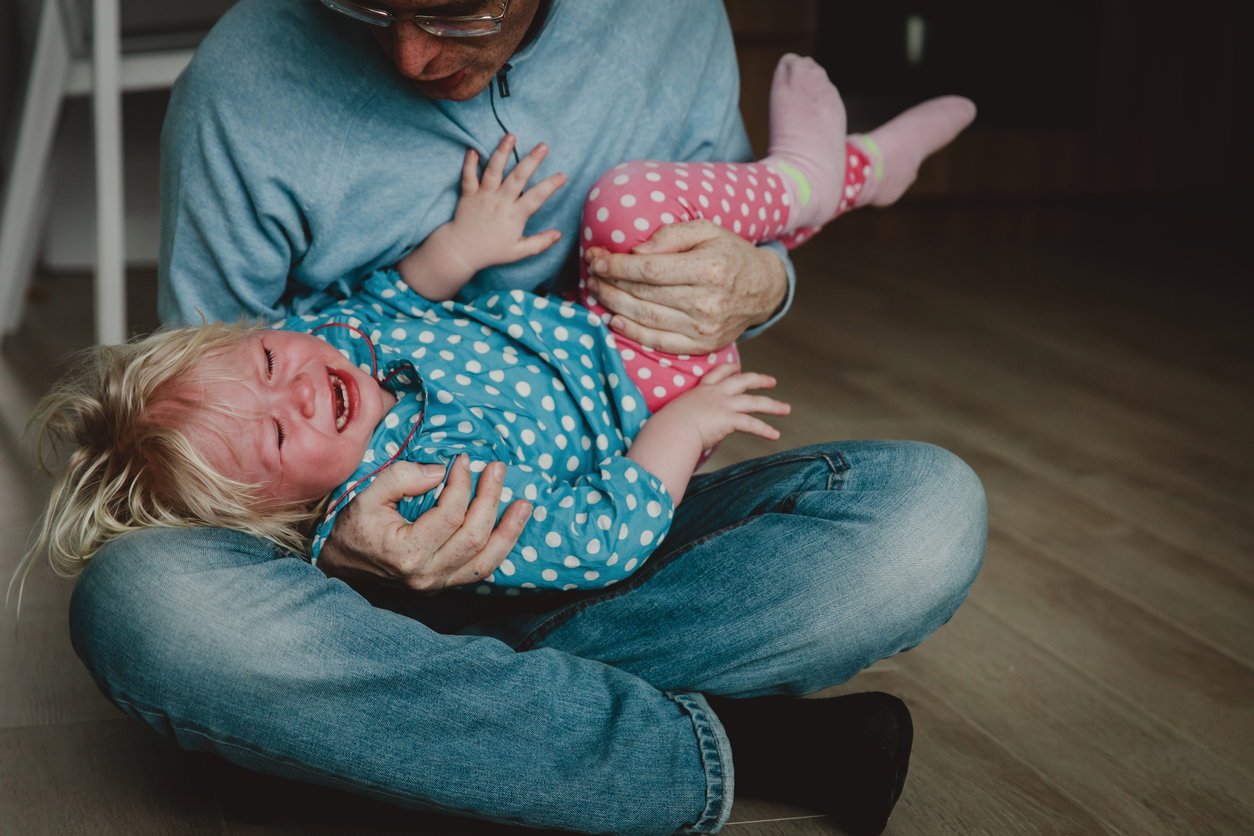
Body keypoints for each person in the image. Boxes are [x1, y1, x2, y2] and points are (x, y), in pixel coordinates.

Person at [62, 2, 987, 834]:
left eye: (458, 14)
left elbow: (730, 235)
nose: (413, 54)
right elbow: (208, 451)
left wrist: (764, 282)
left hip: (612, 525)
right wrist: (327, 548)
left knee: (926, 517)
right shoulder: (243, 89)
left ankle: (390, 742)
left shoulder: (667, 22)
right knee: (145, 606)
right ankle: (721, 752)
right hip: (377, 585)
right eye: (370, 6)